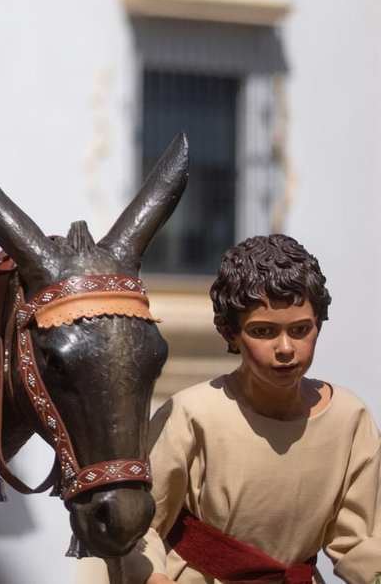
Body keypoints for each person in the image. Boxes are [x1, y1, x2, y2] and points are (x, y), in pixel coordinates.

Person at [117, 234, 381, 584]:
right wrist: (154, 578)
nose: (285, 348)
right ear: (231, 334)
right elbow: (140, 524)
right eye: (264, 331)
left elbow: (360, 543)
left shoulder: (349, 418)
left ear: (319, 323)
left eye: (300, 329)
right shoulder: (192, 414)